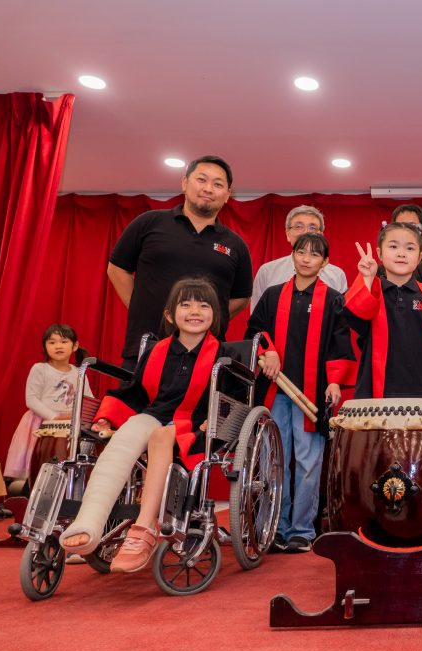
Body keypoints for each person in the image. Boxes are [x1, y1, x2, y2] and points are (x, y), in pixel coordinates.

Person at [60, 278, 229, 573]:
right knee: (126, 435)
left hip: (198, 427)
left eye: (204, 306)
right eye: (185, 304)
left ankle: (143, 528)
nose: (195, 311)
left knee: (161, 436)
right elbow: (135, 393)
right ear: (169, 315)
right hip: (156, 414)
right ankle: (90, 519)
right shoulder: (157, 351)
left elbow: (233, 400)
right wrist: (107, 417)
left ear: (215, 314)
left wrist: (215, 421)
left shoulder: (224, 358)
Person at [246, 232, 355, 553]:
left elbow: (341, 342)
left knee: (308, 462)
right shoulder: (272, 296)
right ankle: (274, 527)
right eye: (301, 252)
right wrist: (267, 350)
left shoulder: (335, 299)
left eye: (314, 254)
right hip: (275, 390)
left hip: (314, 393)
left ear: (325, 262)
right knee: (274, 460)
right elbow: (254, 333)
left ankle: (302, 530)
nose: (306, 258)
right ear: (292, 255)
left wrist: (335, 381)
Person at [107, 155, 253, 370]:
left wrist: (199, 318)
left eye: (218, 184)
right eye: (201, 180)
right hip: (146, 348)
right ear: (185, 182)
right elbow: (117, 269)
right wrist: (141, 306)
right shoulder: (149, 222)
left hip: (205, 357)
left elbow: (241, 299)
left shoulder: (235, 244)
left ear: (227, 195)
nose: (208, 188)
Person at [343, 222, 422, 399]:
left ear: (420, 255)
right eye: (393, 246)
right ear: (379, 253)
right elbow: (355, 316)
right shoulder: (372, 290)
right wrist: (367, 279)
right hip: (376, 392)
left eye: (410, 248)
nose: (401, 253)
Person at [4, 324, 93, 481]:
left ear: (75, 346)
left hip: (70, 424)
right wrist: (54, 417)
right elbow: (31, 399)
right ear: (45, 347)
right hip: (42, 422)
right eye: (52, 342)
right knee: (40, 464)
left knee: (68, 463)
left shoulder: (79, 373)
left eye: (64, 341)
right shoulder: (40, 369)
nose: (58, 346)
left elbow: (88, 401)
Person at [251, 205, 348, 310]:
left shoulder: (337, 275)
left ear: (321, 235)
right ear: (288, 234)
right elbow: (257, 317)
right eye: (299, 226)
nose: (306, 232)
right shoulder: (267, 271)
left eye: (312, 227)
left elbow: (340, 318)